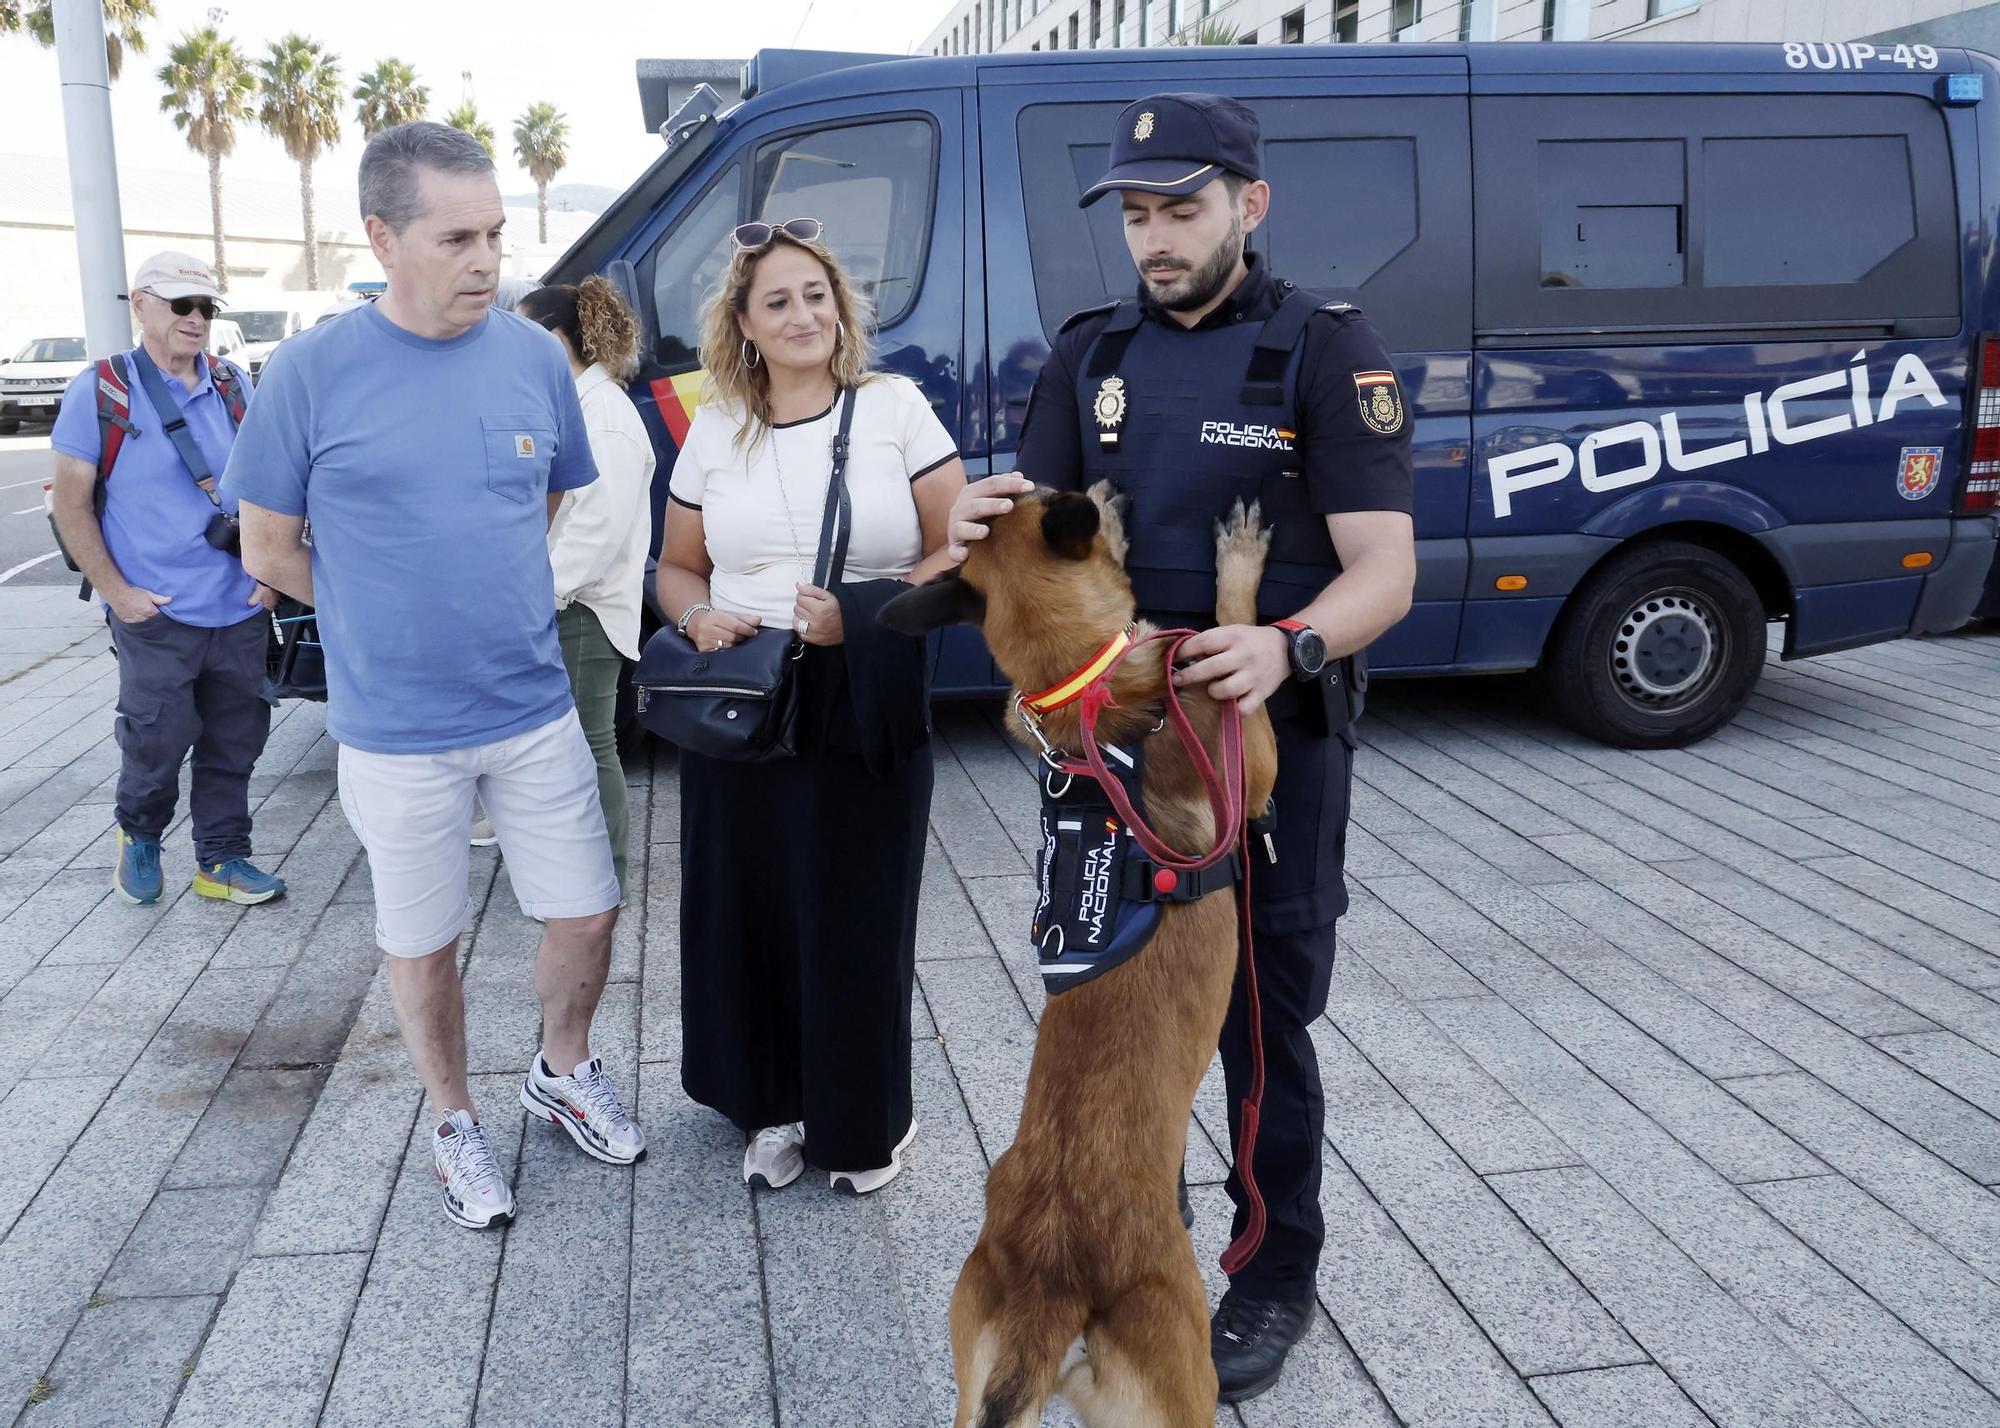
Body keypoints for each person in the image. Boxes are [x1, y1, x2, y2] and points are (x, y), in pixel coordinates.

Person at [946, 94, 1417, 1402]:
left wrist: (1288, 644)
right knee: (1106, 1023)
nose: (1155, 239)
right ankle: (1120, 1245)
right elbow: (1036, 533)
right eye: (1138, 215)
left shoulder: (1323, 349)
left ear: (1248, 206)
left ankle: (1269, 1272)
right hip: (1108, 757)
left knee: (1260, 1023)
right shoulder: (1090, 354)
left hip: (1258, 753)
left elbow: (1385, 570)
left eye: (1182, 210)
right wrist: (977, 520)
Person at [223, 121, 643, 1233]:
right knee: (424, 941)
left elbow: (545, 499)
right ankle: (454, 1121)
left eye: (495, 234)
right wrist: (381, 615)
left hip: (532, 705)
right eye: (457, 239)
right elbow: (267, 546)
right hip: (396, 727)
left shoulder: (532, 359)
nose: (486, 261)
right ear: (382, 237)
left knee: (589, 910)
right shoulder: (309, 374)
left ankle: (561, 1069)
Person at [658, 218, 965, 1196]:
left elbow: (960, 551)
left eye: (816, 295)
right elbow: (675, 567)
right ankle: (769, 1105)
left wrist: (862, 615)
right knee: (746, 908)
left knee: (856, 911)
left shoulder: (895, 408)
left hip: (862, 690)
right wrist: (697, 615)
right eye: (777, 301)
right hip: (743, 698)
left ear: (841, 307)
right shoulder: (716, 426)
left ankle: (864, 1119)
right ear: (744, 324)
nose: (802, 315)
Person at [48, 250, 287, 909]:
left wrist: (271, 577)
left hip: (240, 605)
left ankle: (222, 859)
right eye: (182, 305)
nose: (196, 318)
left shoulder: (233, 385)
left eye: (206, 307)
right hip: (156, 611)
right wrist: (119, 594)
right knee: (157, 739)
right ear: (141, 305)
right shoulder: (103, 390)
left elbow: (270, 486)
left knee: (236, 740)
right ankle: (141, 834)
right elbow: (71, 505)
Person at [510, 278, 654, 896]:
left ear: (556, 339)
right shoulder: (581, 404)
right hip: (567, 603)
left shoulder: (605, 416)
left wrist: (539, 599)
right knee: (573, 747)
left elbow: (596, 531)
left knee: (588, 746)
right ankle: (582, 876)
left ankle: (603, 879)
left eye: (523, 333)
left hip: (581, 609)